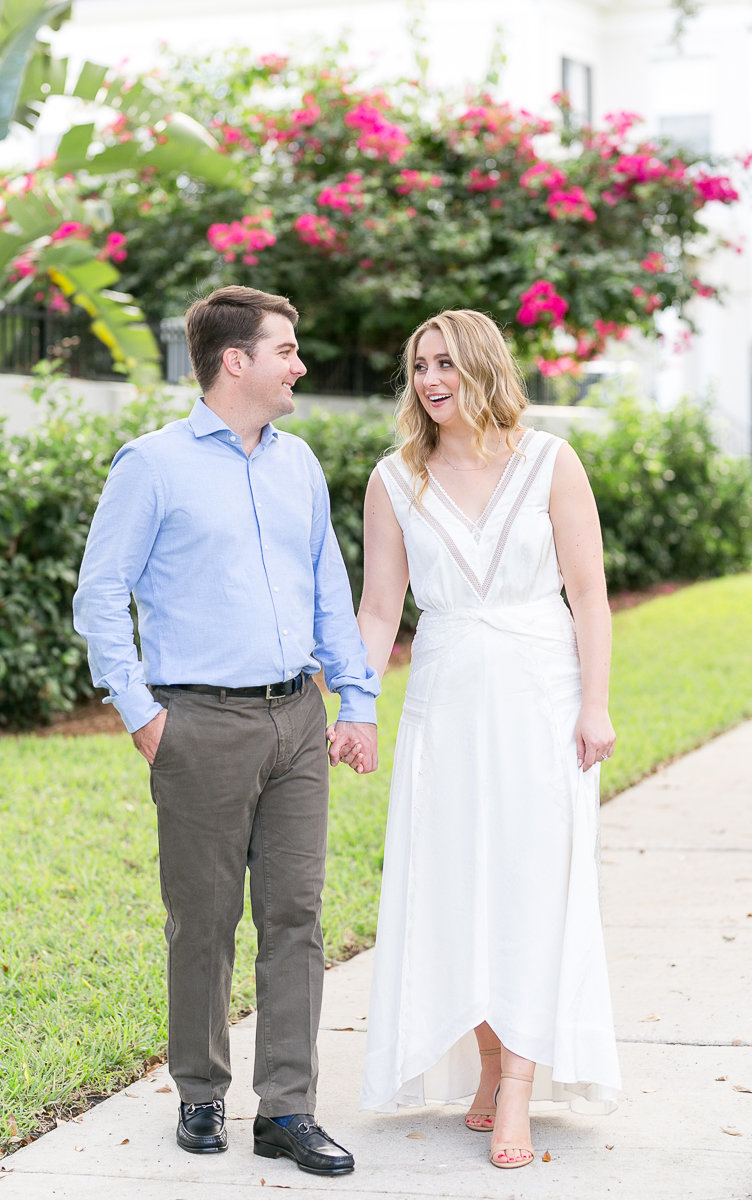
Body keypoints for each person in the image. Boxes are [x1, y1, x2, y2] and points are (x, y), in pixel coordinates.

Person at [73, 285, 378, 1177]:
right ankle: (201, 1092)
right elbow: (100, 596)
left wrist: (352, 701)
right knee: (203, 920)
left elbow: (329, 586)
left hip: (298, 719)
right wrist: (143, 716)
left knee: (298, 917)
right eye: (285, 348)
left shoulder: (300, 464)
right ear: (234, 360)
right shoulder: (152, 464)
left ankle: (288, 1109)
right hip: (197, 721)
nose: (300, 364)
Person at [353, 309, 621, 1170]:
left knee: (534, 882)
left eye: (447, 364)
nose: (431, 381)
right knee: (455, 881)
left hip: (543, 695)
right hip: (446, 697)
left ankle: (515, 1090)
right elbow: (380, 609)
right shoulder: (395, 478)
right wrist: (358, 704)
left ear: (483, 367)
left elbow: (589, 593)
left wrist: (596, 705)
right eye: (420, 366)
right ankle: (492, 1059)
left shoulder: (551, 461)